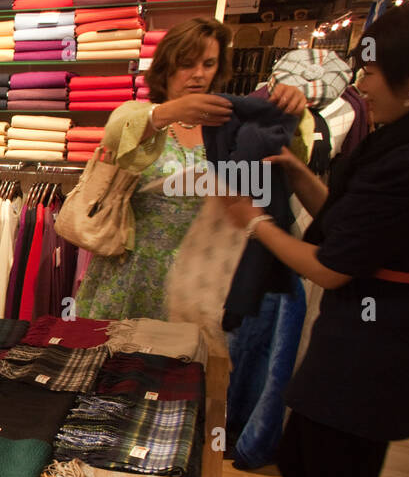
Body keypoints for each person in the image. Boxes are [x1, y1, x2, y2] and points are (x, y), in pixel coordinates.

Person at [224, 1, 409, 477]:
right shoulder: (395, 139)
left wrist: (253, 222)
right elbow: (343, 217)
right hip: (350, 341)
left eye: (372, 71)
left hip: (378, 351)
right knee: (305, 457)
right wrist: (297, 171)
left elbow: (332, 266)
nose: (361, 85)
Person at [74, 17, 308, 321]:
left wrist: (293, 114)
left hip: (202, 278)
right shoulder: (141, 116)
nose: (198, 74)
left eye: (209, 64)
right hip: (131, 272)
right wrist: (167, 112)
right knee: (117, 349)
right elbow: (116, 134)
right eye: (186, 64)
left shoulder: (230, 127)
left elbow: (285, 168)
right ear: (166, 67)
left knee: (189, 351)